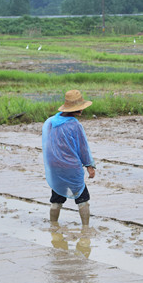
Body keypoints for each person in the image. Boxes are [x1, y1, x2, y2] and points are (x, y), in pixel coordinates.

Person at [43, 89, 96, 224]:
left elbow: (48, 145)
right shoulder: (75, 125)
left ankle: (53, 226)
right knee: (82, 199)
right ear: (77, 110)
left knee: (56, 198)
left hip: (55, 166)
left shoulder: (51, 122)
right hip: (71, 167)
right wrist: (90, 166)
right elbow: (83, 148)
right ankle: (85, 229)